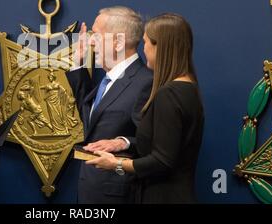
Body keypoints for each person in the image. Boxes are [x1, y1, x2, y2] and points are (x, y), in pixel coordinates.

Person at [86, 13, 205, 203]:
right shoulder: (189, 88)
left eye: (146, 43)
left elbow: (162, 160)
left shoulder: (169, 94)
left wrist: (116, 163)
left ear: (161, 47)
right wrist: (123, 143)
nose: (144, 49)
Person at [66, 6, 153, 204]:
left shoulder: (146, 82)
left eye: (95, 35)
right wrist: (77, 63)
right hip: (90, 191)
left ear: (118, 42)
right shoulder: (109, 79)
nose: (90, 41)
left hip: (118, 195)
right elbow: (92, 118)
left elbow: (156, 142)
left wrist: (124, 141)